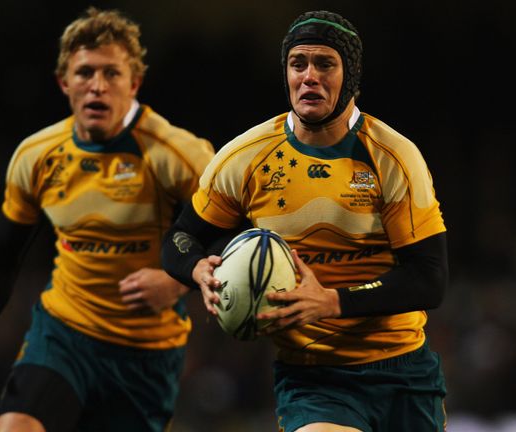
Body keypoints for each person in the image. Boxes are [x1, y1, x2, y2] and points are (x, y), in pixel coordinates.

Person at [161, 9, 449, 432]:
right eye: (298, 64)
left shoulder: (393, 158)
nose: (308, 76)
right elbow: (182, 237)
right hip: (313, 378)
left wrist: (332, 301)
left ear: (350, 76)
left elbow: (429, 279)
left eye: (324, 64)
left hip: (403, 373)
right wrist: (196, 270)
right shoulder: (245, 157)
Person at [0, 7, 214, 432]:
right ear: (64, 83)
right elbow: (4, 253)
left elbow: (238, 231)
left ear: (135, 83)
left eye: (112, 74)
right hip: (63, 336)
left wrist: (177, 279)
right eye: (85, 73)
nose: (97, 87)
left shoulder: (178, 154)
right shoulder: (36, 155)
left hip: (145, 354)